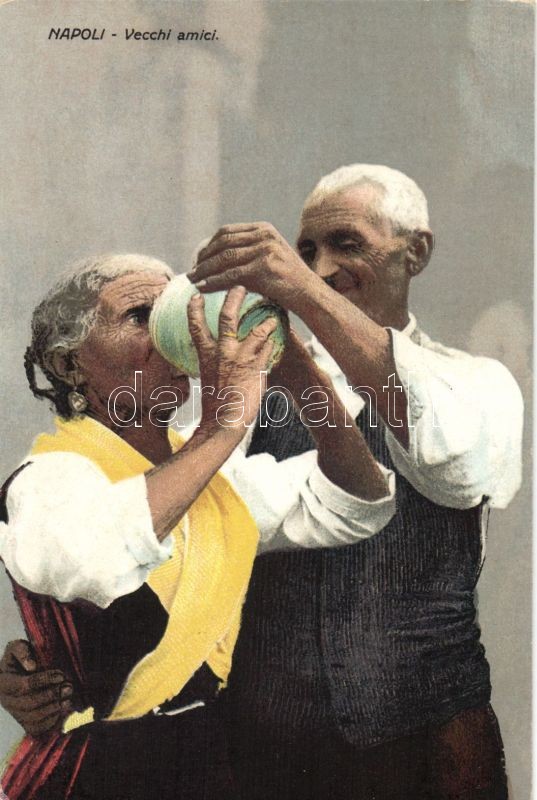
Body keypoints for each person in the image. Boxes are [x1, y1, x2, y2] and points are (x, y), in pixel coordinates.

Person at [1, 163, 523, 799]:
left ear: (416, 251)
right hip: (254, 761)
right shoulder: (203, 417)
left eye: (347, 243)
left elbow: (399, 476)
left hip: (427, 749)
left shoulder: (475, 384)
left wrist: (301, 323)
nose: (320, 268)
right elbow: (97, 545)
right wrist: (42, 665)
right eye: (304, 253)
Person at [0, 252, 395, 800]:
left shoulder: (214, 477)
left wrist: (296, 369)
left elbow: (358, 500)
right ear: (69, 365)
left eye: (174, 311)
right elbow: (93, 561)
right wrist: (222, 427)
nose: (171, 334)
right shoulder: (48, 478)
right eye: (141, 316)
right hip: (93, 773)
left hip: (203, 758)